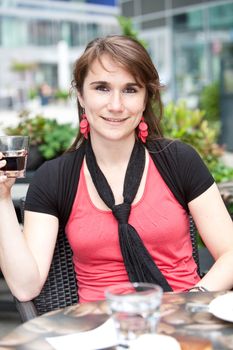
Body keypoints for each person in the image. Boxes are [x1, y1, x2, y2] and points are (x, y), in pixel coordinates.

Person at [0, 35, 233, 303]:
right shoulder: (55, 178)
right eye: (101, 88)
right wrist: (2, 198)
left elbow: (230, 252)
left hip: (182, 323)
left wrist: (192, 302)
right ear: (81, 95)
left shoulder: (179, 160)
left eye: (130, 90)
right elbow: (25, 287)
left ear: (145, 99)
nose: (116, 105)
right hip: (100, 332)